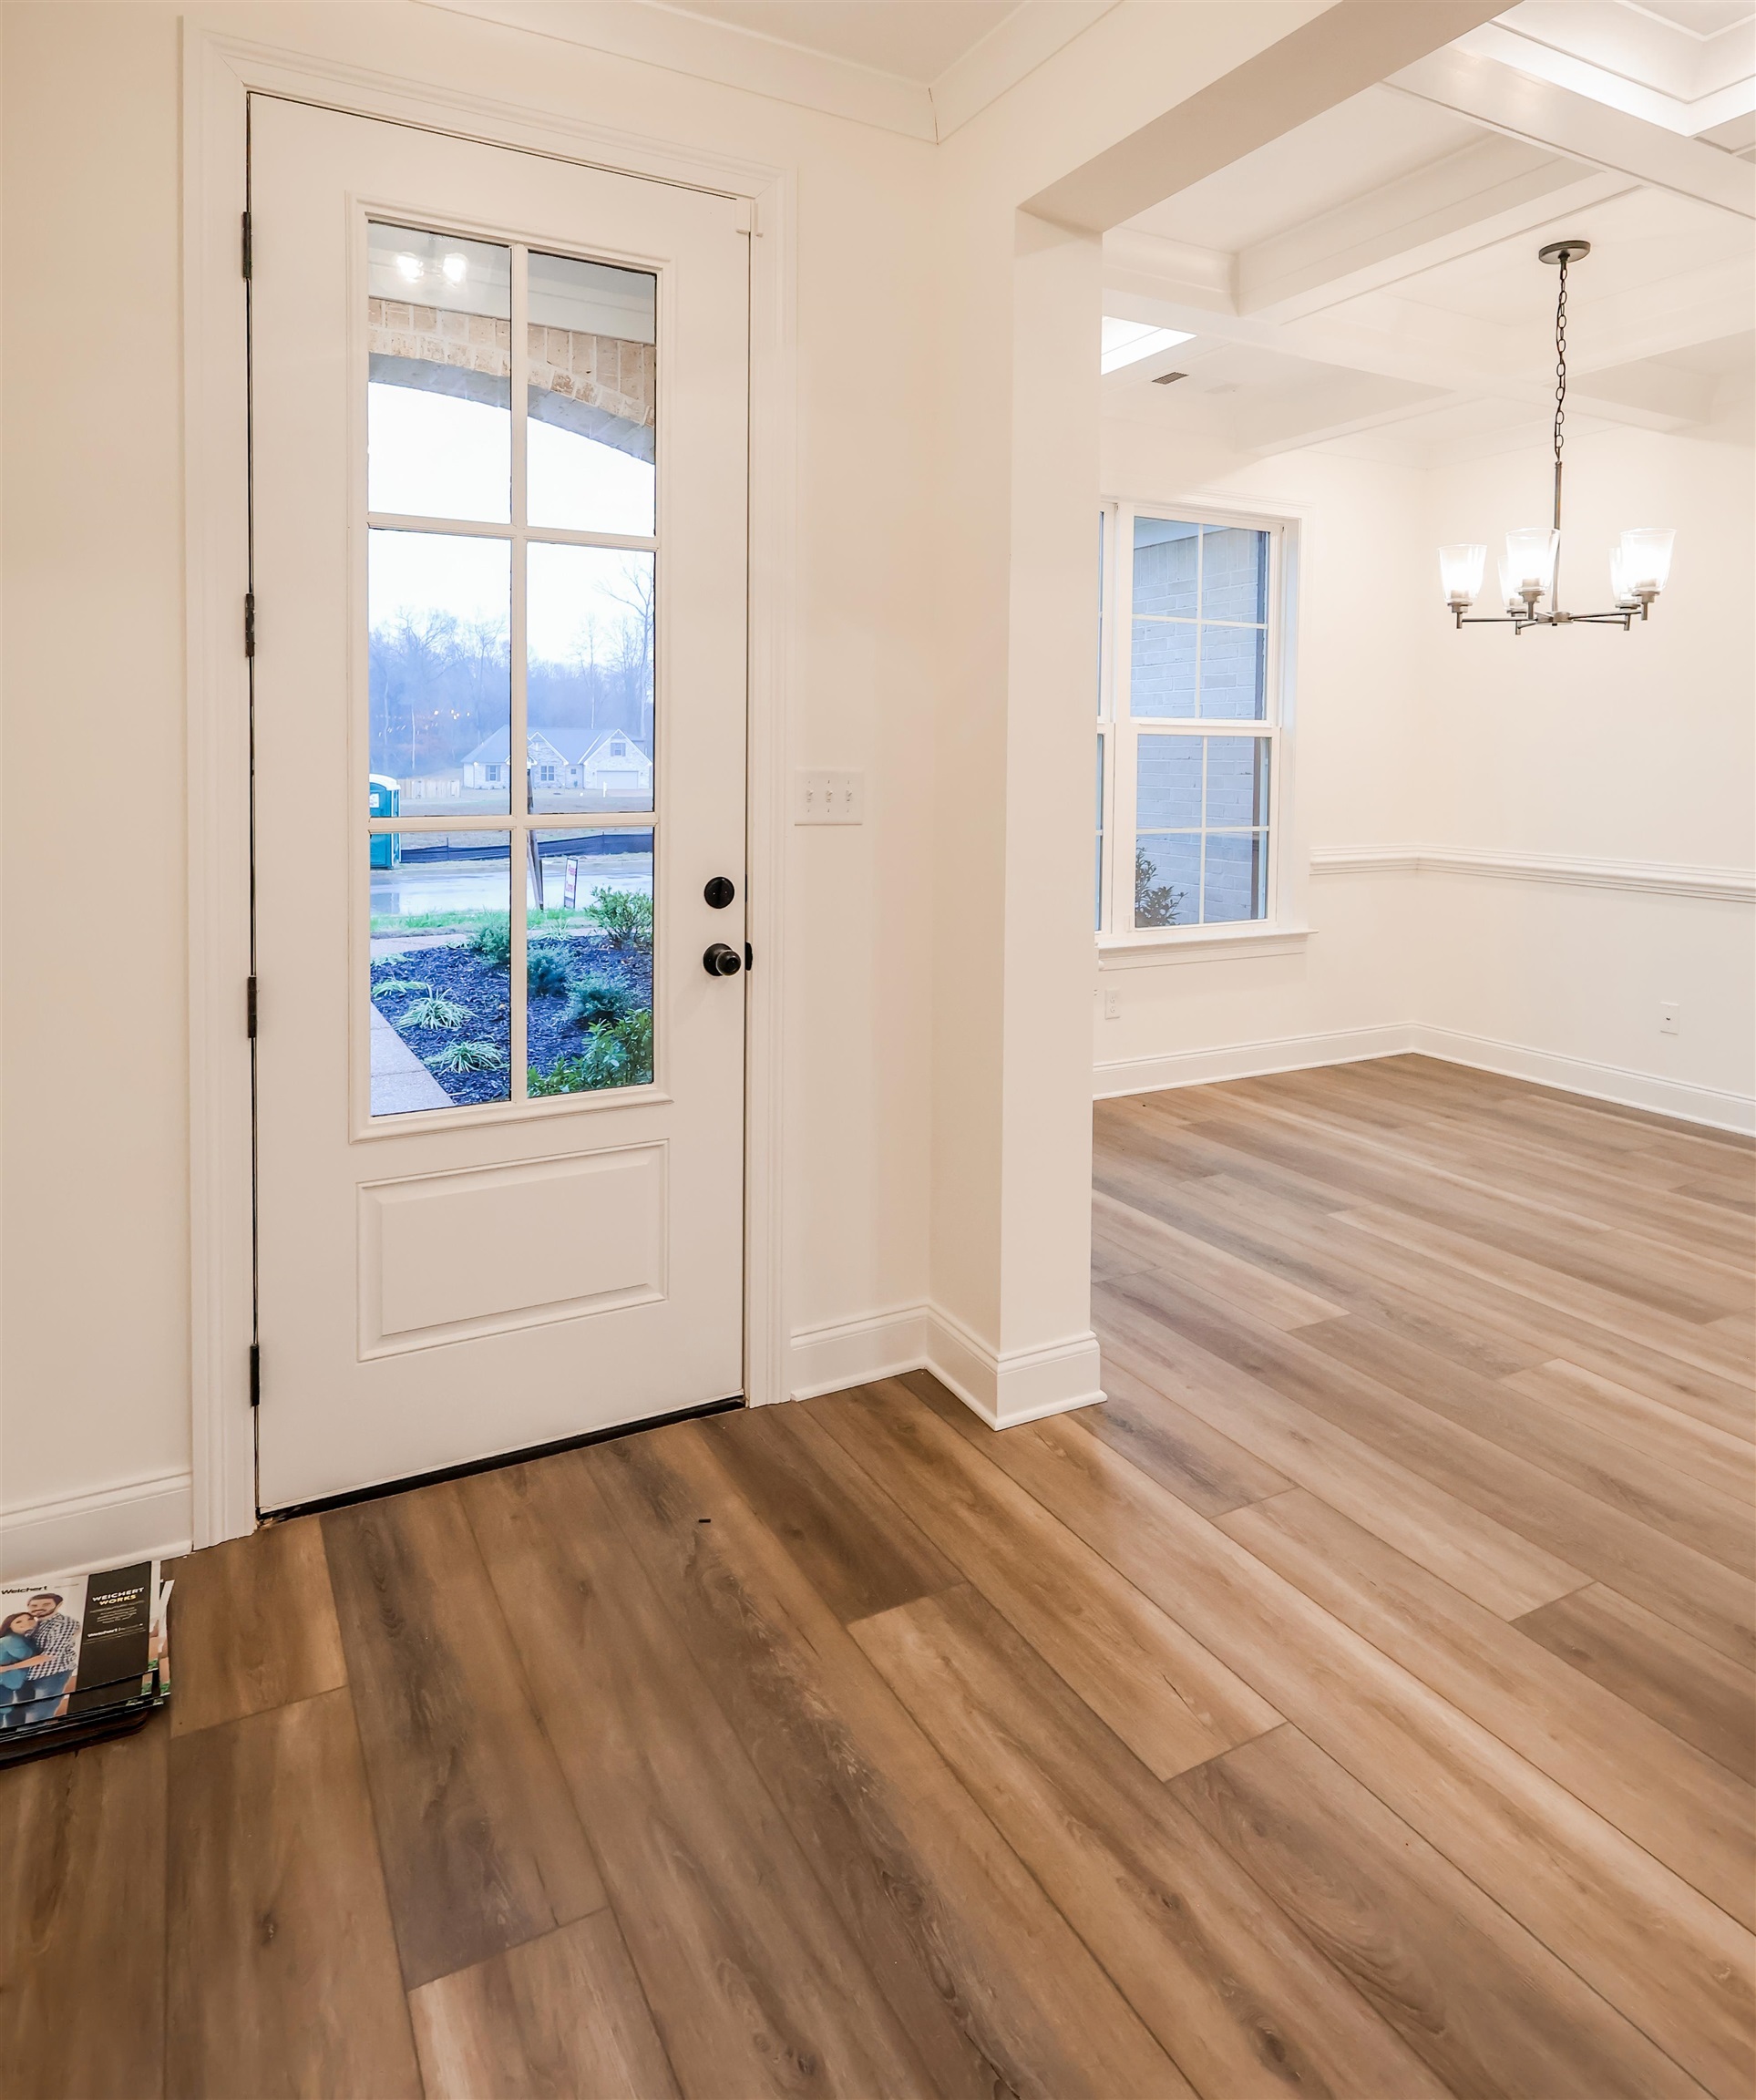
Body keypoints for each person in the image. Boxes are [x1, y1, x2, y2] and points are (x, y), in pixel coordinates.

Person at [12, 1590, 78, 1728]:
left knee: (38, 1714)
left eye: (46, 1604)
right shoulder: (33, 1624)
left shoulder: (64, 1623)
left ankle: (29, 1743)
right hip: (27, 1675)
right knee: (21, 1710)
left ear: (58, 1605)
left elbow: (48, 1656)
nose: (38, 1608)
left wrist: (7, 1668)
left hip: (52, 1675)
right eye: (33, 1605)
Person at [0, 1611, 41, 1729]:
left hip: (9, 1682)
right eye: (18, 1621)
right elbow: (30, 1656)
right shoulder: (11, 1640)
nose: (26, 1623)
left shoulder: (20, 1638)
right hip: (4, 1682)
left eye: (30, 1619)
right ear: (9, 1626)